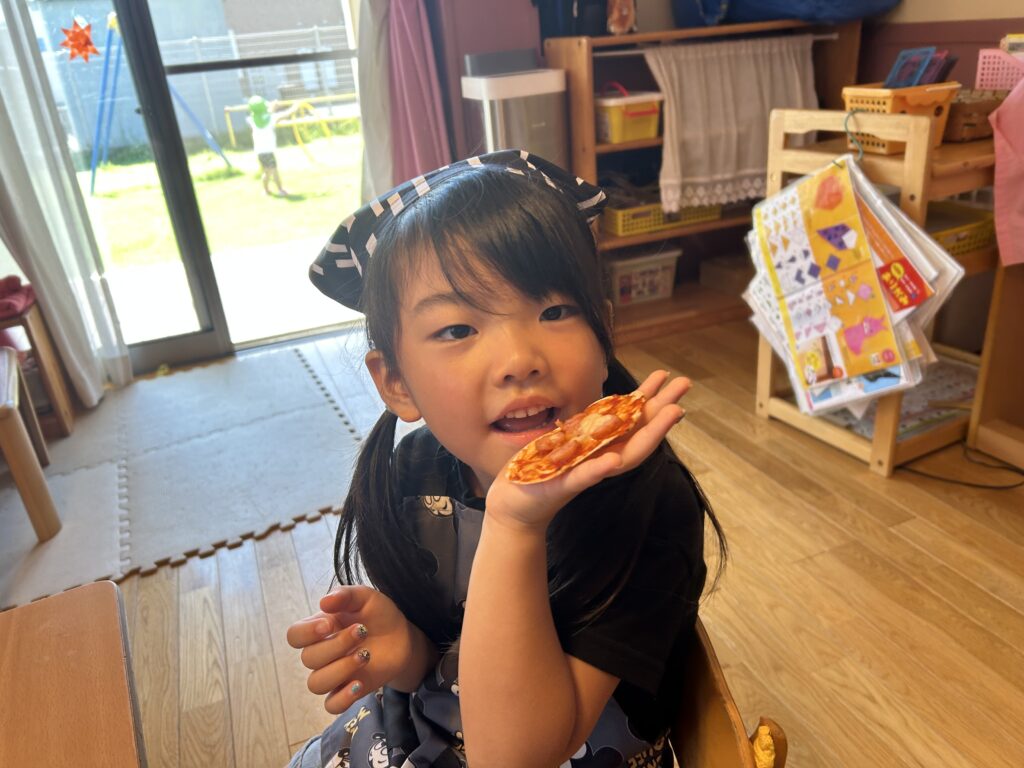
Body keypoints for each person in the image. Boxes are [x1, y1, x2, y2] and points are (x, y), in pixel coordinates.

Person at [286, 150, 726, 768]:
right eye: (457, 330)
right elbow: (452, 661)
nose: (520, 358)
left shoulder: (646, 505)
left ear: (603, 335)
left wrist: (515, 521)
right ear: (397, 383)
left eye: (554, 312)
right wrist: (410, 651)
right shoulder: (416, 470)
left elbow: (516, 756)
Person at [246, 94, 298, 196]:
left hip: (259, 151)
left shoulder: (252, 120)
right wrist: (295, 106)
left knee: (266, 171)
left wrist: (272, 108)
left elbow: (263, 115)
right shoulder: (271, 118)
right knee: (274, 171)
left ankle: (266, 191)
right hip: (268, 150)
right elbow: (287, 114)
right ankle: (280, 190)